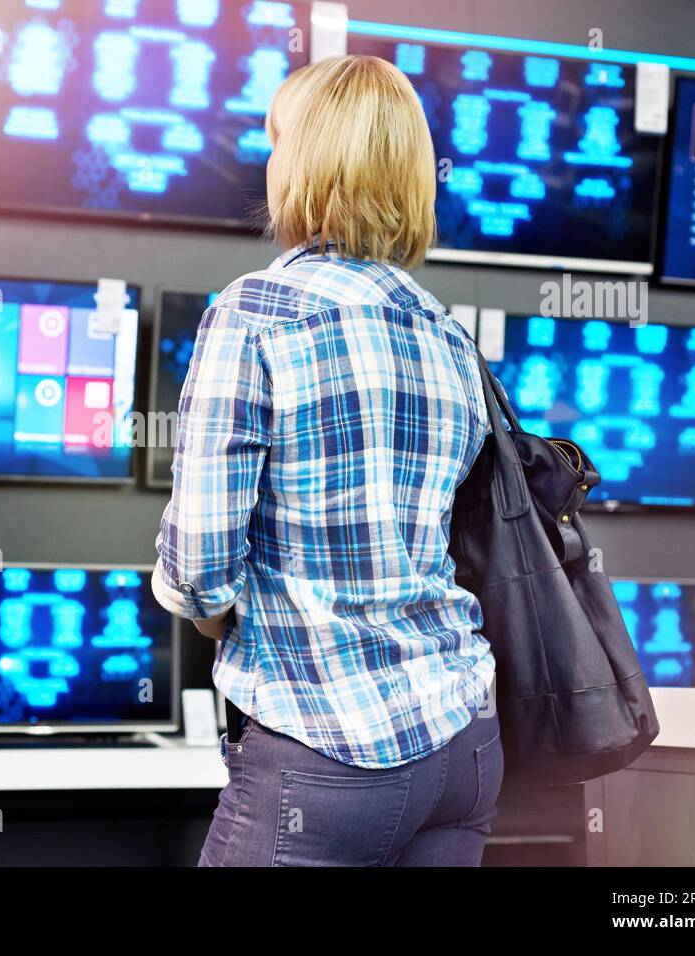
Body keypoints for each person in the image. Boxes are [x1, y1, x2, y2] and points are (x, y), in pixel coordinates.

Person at [152, 55, 501, 867]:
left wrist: (206, 611)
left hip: (327, 752)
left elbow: (201, 572)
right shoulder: (447, 334)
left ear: (304, 164)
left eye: (277, 144)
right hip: (464, 746)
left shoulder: (256, 312)